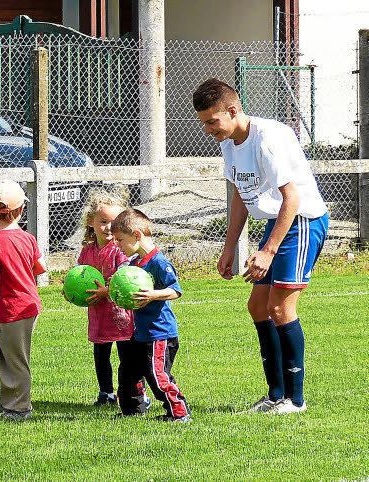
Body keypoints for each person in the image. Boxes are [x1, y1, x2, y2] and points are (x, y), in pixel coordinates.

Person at [193, 78, 329, 415]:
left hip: (302, 220)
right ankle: (274, 396)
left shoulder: (266, 138)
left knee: (281, 308)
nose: (209, 130)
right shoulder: (228, 141)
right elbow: (240, 194)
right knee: (257, 307)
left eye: (213, 121)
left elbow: (292, 198)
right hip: (278, 220)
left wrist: (268, 251)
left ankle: (295, 401)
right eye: (204, 124)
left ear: (233, 110)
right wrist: (229, 247)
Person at [111, 209, 191, 422]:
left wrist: (153, 294)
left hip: (160, 334)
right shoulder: (135, 264)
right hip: (140, 334)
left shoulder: (158, 263)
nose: (117, 245)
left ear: (136, 235)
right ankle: (132, 411)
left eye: (120, 240)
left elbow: (176, 290)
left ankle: (179, 413)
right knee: (128, 372)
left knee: (157, 376)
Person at [0, 180, 47, 421]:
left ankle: (20, 408)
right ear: (21, 210)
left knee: (16, 358)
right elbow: (40, 268)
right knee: (8, 354)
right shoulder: (28, 238)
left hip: (11, 307)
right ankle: (9, 398)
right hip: (29, 305)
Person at [73, 186, 143, 407]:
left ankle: (134, 393)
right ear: (90, 222)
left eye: (114, 223)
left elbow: (125, 277)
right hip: (98, 314)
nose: (108, 228)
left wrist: (106, 290)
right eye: (103, 221)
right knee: (101, 355)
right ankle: (106, 392)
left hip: (122, 314)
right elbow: (79, 276)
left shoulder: (121, 250)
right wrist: (72, 291)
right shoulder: (87, 251)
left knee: (128, 357)